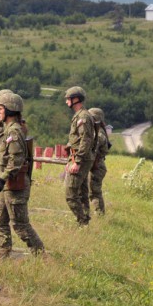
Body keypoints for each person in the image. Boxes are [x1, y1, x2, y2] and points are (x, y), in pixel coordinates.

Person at [0, 92, 44, 257]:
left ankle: (41, 255)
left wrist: (1, 178)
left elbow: (16, 160)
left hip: (15, 184)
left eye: (0, 109)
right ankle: (4, 255)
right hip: (6, 183)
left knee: (20, 225)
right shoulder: (7, 130)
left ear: (9, 110)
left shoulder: (13, 132)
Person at [63, 86, 96, 226]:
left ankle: (82, 221)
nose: (66, 101)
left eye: (68, 99)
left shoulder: (83, 117)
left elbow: (86, 140)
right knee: (82, 192)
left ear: (75, 99)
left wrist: (77, 161)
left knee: (70, 194)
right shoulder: (80, 115)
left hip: (81, 158)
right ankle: (85, 222)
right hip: (79, 157)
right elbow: (77, 139)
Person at [88, 107, 110, 215]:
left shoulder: (99, 134)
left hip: (97, 167)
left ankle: (100, 214)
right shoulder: (97, 132)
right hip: (96, 165)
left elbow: (94, 148)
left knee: (94, 192)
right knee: (92, 191)